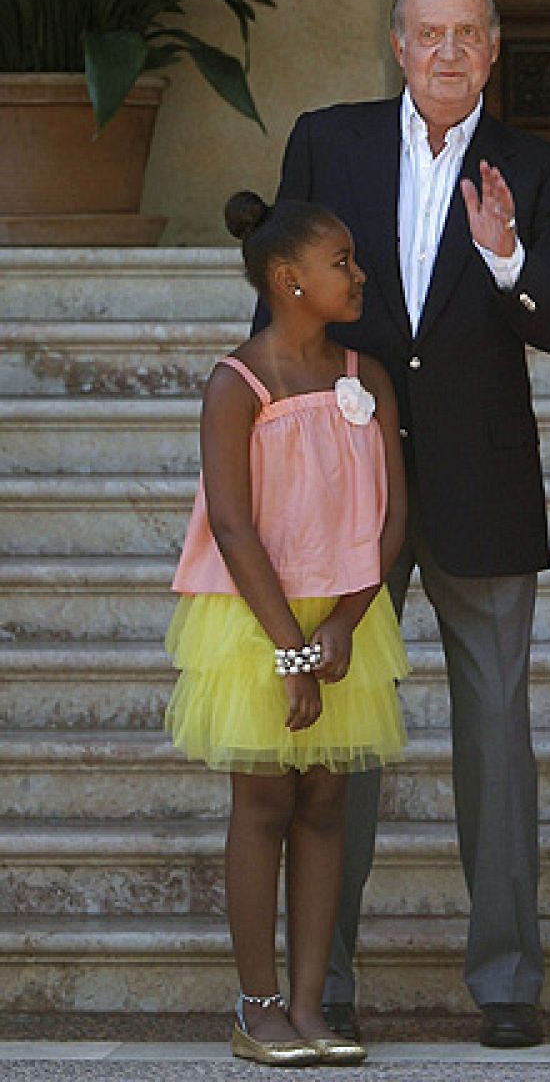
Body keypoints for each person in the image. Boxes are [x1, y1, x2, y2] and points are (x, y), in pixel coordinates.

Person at [259, 0, 550, 1048]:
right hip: (347, 485)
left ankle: (506, 982)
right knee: (340, 733)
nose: (447, 52)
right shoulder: (329, 140)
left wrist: (503, 261)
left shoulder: (535, 168)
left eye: (467, 36)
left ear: (493, 51)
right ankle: (326, 983)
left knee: (495, 738)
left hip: (480, 483)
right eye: (427, 34)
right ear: (397, 45)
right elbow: (278, 298)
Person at [168, 191, 408, 1066]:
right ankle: (257, 1004)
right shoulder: (239, 385)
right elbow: (232, 525)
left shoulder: (365, 376)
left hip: (342, 623)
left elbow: (391, 518)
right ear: (287, 280)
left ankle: (311, 1004)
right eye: (342, 262)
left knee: (325, 806)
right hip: (255, 623)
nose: (359, 275)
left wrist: (346, 623)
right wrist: (291, 650)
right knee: (265, 800)